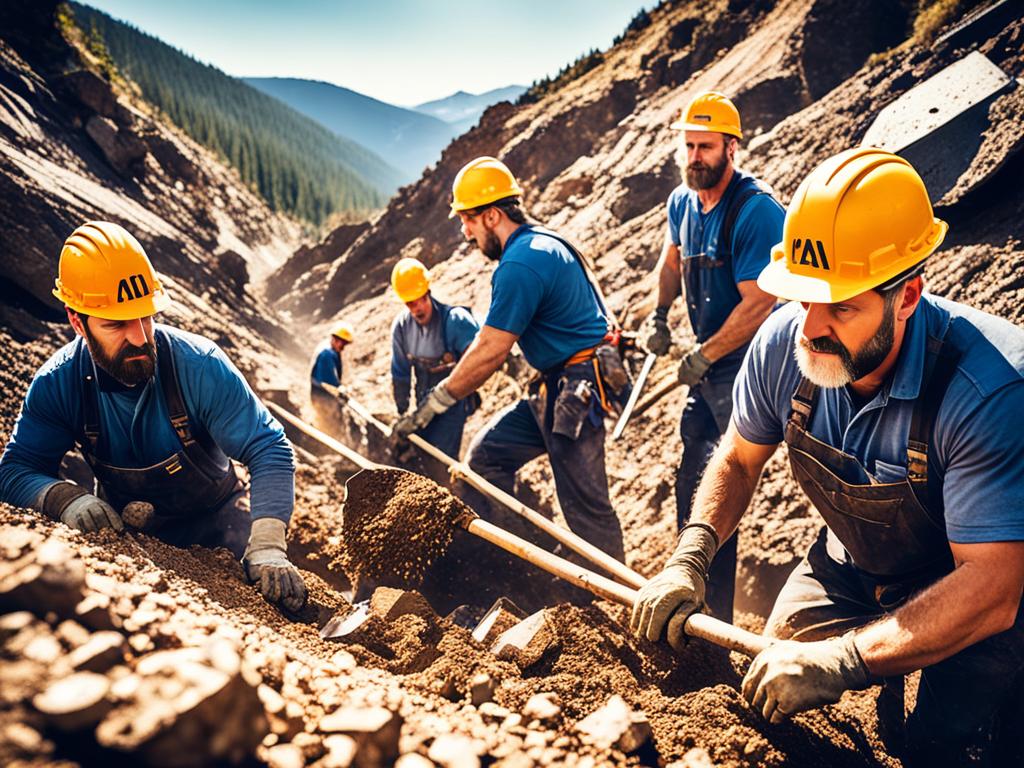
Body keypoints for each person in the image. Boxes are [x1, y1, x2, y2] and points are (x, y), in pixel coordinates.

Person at [630, 148, 1024, 765]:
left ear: (908, 296)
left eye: (841, 306)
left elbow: (994, 585)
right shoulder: (787, 343)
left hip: (978, 580)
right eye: (805, 297)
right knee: (771, 682)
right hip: (857, 565)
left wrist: (845, 661)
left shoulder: (988, 391)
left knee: (944, 744)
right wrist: (691, 557)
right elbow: (737, 457)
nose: (812, 326)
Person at [0, 221, 307, 613]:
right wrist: (64, 498)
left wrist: (266, 544)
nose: (141, 337)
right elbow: (15, 470)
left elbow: (269, 448)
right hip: (131, 544)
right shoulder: (59, 384)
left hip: (222, 526)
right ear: (77, 322)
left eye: (146, 316)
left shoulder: (200, 367)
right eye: (117, 324)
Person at [395, 156, 626, 562]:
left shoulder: (520, 263)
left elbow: (490, 350)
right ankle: (528, 559)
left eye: (467, 219)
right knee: (484, 461)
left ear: (493, 215)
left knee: (588, 509)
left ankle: (612, 604)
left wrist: (435, 402)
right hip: (555, 387)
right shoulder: (543, 243)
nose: (465, 232)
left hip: (574, 392)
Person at [642, 91, 784, 622]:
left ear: (731, 147)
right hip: (709, 367)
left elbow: (759, 304)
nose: (694, 157)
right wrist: (659, 314)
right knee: (694, 476)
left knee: (729, 476)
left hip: (754, 365)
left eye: (705, 147)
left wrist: (703, 355)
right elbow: (671, 260)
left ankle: (718, 617)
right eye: (688, 146)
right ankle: (696, 598)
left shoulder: (755, 210)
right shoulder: (682, 200)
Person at [389, 257, 480, 458]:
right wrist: (403, 412)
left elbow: (478, 361)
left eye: (421, 299)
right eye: (411, 303)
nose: (418, 308)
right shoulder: (402, 328)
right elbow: (400, 373)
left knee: (440, 456)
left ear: (428, 292)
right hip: (423, 397)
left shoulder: (455, 321)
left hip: (454, 401)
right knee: (421, 448)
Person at [309, 322, 353, 424]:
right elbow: (329, 379)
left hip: (321, 392)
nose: (343, 347)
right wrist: (340, 389)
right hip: (322, 394)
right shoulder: (327, 354)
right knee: (329, 422)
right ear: (334, 339)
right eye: (342, 343)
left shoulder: (331, 350)